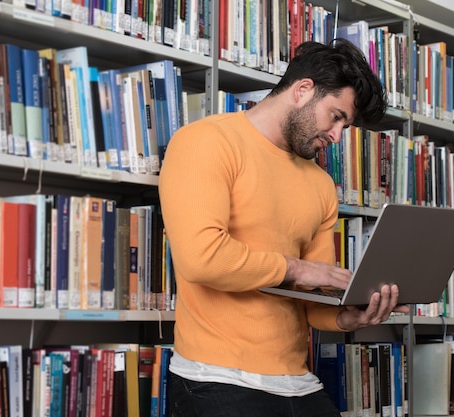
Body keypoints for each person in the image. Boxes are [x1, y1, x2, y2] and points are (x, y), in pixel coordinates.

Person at [158, 38, 410, 417]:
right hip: (215, 378)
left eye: (346, 124)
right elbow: (201, 259)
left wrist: (347, 317)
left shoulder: (320, 184)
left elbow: (311, 301)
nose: (337, 136)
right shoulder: (205, 141)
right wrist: (297, 267)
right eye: (336, 116)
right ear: (303, 90)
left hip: (297, 381)